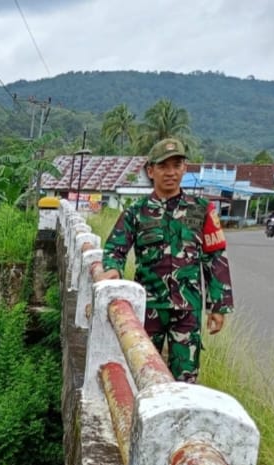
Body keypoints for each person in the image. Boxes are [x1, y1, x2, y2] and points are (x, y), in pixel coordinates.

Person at [97, 137, 234, 383]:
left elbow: (215, 259)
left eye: (177, 165)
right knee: (141, 375)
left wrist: (218, 306)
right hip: (149, 309)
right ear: (151, 171)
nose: (170, 172)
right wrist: (113, 269)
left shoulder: (202, 210)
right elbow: (114, 250)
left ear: (184, 168)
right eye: (163, 166)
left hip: (188, 310)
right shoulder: (136, 212)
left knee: (185, 380)